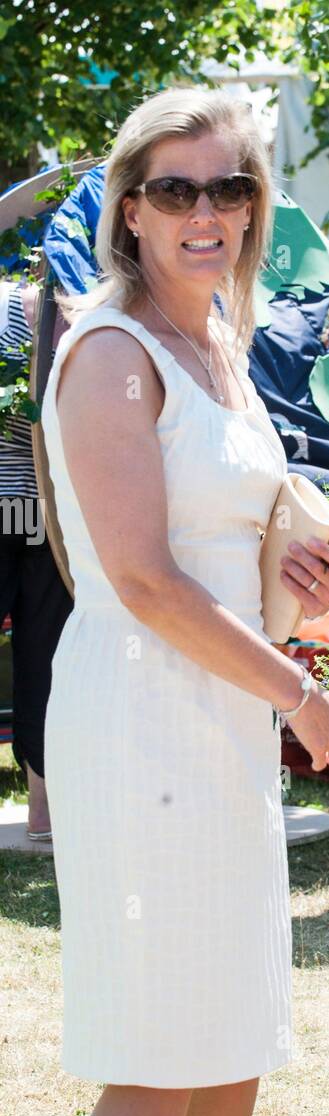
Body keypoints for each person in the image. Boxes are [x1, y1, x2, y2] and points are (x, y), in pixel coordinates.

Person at [41, 86, 329, 1116]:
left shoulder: (221, 350)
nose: (206, 211)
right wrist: (299, 693)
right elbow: (136, 578)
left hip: (221, 721)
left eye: (229, 186)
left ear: (255, 206)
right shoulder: (112, 352)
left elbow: (228, 565)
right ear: (130, 210)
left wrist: (300, 574)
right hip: (140, 724)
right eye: (175, 189)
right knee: (156, 1048)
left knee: (233, 1035)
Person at [0, 277, 72, 839]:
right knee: (44, 656)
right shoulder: (83, 307)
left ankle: (46, 813)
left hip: (29, 511)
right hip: (50, 512)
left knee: (45, 657)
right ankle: (43, 814)